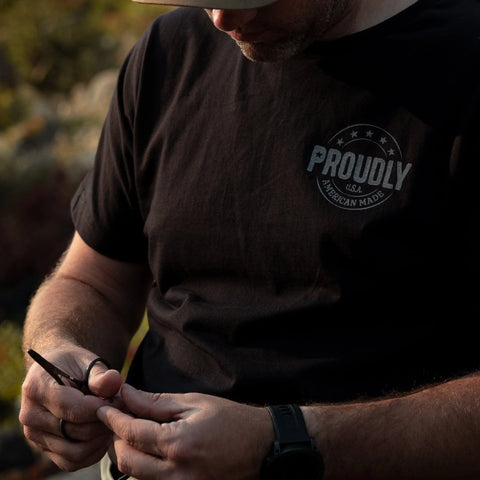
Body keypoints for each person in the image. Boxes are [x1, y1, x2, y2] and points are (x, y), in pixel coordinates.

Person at [19, 0, 480, 478]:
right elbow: (93, 281)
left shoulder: (464, 60)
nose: (221, 18)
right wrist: (60, 348)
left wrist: (285, 442)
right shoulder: (169, 51)